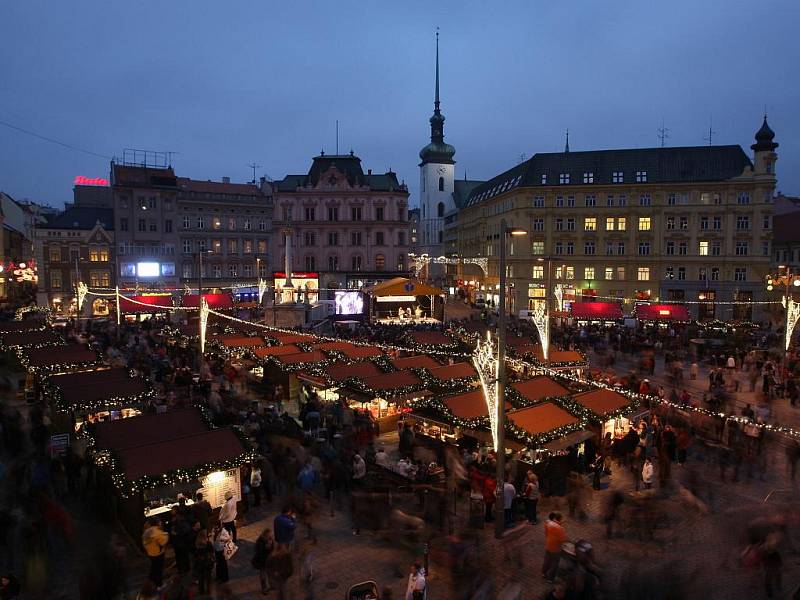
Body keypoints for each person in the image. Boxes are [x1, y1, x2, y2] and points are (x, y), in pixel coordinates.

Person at [141, 517, 168, 587]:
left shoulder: (147, 531)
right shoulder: (157, 531)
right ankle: (159, 584)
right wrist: (166, 534)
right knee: (158, 570)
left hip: (150, 553)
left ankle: (151, 582)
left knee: (153, 568)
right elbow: (163, 542)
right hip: (158, 553)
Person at [542, 512, 565, 583]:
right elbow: (562, 540)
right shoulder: (561, 529)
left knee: (547, 560)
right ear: (559, 519)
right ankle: (550, 578)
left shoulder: (547, 523)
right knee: (555, 564)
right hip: (556, 548)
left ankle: (544, 573)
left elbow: (547, 531)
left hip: (548, 545)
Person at [252, 527, 275, 595]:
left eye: (271, 535)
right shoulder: (259, 542)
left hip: (269, 560)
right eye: (269, 536)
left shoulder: (270, 539)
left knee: (270, 574)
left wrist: (270, 546)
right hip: (262, 562)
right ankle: (264, 588)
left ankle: (272, 585)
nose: (270, 537)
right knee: (263, 575)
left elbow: (272, 549)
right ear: (264, 535)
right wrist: (266, 547)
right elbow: (259, 552)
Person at [193, 527, 214, 596]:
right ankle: (208, 590)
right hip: (207, 563)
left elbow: (195, 554)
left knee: (200, 578)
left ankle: (201, 591)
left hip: (199, 563)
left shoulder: (197, 544)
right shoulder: (208, 544)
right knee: (208, 578)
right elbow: (212, 552)